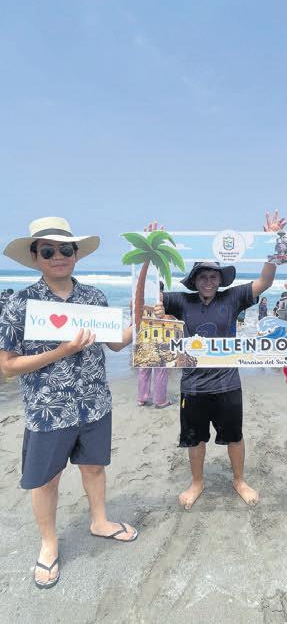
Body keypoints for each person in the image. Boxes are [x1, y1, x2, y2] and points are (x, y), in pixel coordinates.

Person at [0, 217, 137, 590]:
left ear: (76, 254)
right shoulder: (19, 303)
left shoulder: (94, 298)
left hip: (95, 404)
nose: (57, 256)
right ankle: (49, 543)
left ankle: (100, 521)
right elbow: (7, 366)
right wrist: (62, 351)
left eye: (65, 249)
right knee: (46, 481)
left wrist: (145, 318)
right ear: (35, 257)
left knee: (94, 468)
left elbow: (116, 343)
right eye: (48, 251)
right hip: (48, 410)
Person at [153, 211, 286, 509]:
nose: (208, 281)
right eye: (203, 277)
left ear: (220, 279)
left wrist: (271, 244)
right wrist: (152, 251)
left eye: (213, 276)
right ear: (195, 280)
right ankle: (197, 482)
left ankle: (239, 480)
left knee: (234, 436)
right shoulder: (181, 301)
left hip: (228, 383)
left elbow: (265, 281)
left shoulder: (233, 297)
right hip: (193, 385)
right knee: (195, 439)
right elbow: (152, 296)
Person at [137, 282, 172, 408]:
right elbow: (169, 319)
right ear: (162, 290)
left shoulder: (141, 299)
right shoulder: (162, 300)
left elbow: (135, 318)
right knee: (160, 370)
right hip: (160, 338)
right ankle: (160, 400)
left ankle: (142, 398)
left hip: (144, 337)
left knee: (143, 369)